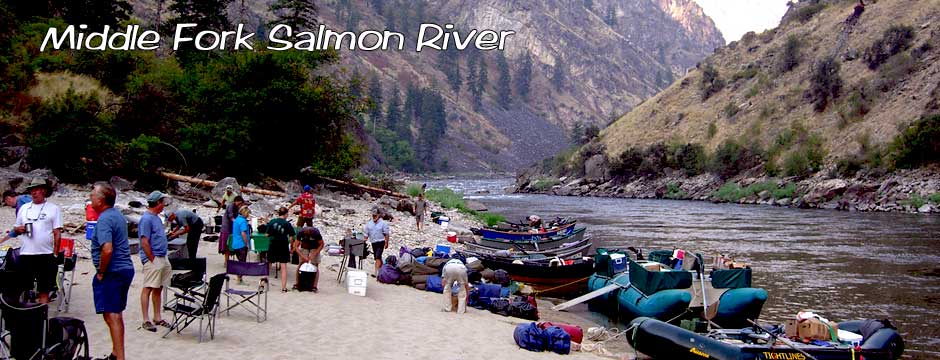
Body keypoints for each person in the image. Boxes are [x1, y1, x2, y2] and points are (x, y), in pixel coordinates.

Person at [90, 182, 134, 360]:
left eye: (93, 194)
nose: (90, 197)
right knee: (114, 312)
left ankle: (120, 357)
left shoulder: (105, 219)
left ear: (101, 200)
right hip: (124, 269)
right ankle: (116, 353)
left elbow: (107, 249)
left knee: (112, 314)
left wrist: (101, 271)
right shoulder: (116, 215)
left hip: (113, 271)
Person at [2, 178, 62, 304]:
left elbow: (57, 233)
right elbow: (16, 228)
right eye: (32, 190)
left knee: (44, 290)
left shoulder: (53, 208)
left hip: (45, 254)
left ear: (44, 191)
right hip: (26, 254)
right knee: (21, 288)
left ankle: (42, 318)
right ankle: (22, 317)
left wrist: (55, 254)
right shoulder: (24, 208)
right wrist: (18, 229)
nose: (34, 192)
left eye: (37, 189)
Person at [138, 191, 172, 332]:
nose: (164, 205)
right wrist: (151, 258)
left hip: (162, 256)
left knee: (159, 287)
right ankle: (146, 319)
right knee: (148, 287)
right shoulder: (146, 219)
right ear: (157, 203)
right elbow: (144, 241)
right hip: (154, 258)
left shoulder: (157, 218)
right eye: (163, 202)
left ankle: (157, 316)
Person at [266, 207, 296, 292]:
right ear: (286, 214)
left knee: (268, 265)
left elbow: (267, 234)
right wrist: (292, 246)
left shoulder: (272, 222)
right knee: (283, 267)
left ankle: (262, 284)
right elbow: (291, 237)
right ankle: (283, 287)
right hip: (283, 245)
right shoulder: (287, 224)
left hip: (273, 245)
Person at [293, 226, 324, 292]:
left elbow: (321, 244)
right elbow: (296, 246)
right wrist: (302, 256)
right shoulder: (300, 233)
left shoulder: (316, 233)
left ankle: (314, 286)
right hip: (304, 246)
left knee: (315, 265)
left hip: (315, 247)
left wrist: (314, 254)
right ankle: (297, 283)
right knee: (301, 264)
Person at [363, 209, 389, 276]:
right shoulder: (369, 223)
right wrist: (363, 241)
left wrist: (386, 243)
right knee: (377, 257)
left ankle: (376, 273)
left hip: (381, 242)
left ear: (379, 215)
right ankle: (383, 269)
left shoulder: (383, 223)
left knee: (377, 256)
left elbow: (386, 234)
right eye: (373, 215)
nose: (374, 217)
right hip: (373, 242)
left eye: (375, 215)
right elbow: (366, 234)